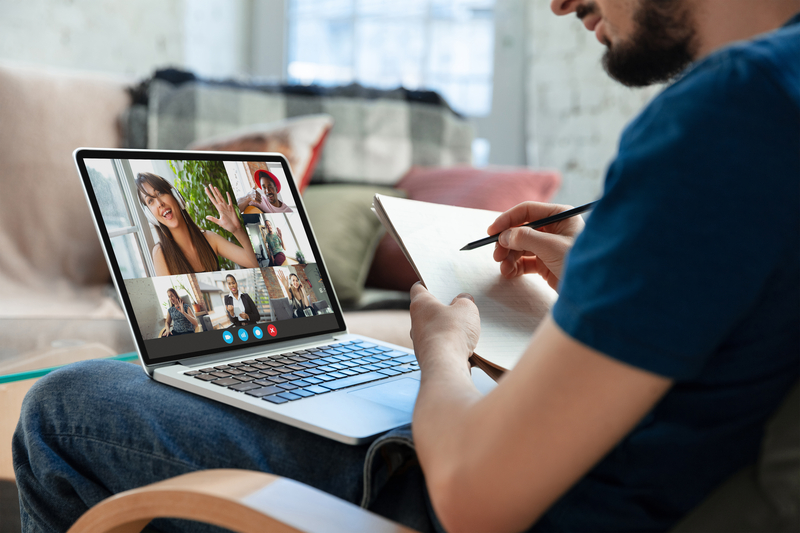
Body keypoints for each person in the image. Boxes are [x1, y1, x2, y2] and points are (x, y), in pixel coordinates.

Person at [13, 1, 800, 532]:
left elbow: (475, 499)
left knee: (71, 405)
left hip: (554, 500)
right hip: (640, 468)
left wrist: (440, 352)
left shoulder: (728, 109)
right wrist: (605, 272)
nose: (558, 4)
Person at [136, 172, 258, 276]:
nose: (159, 203)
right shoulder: (160, 253)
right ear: (150, 215)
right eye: (150, 201)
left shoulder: (209, 239)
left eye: (160, 193)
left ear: (176, 196)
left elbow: (254, 263)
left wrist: (237, 230)